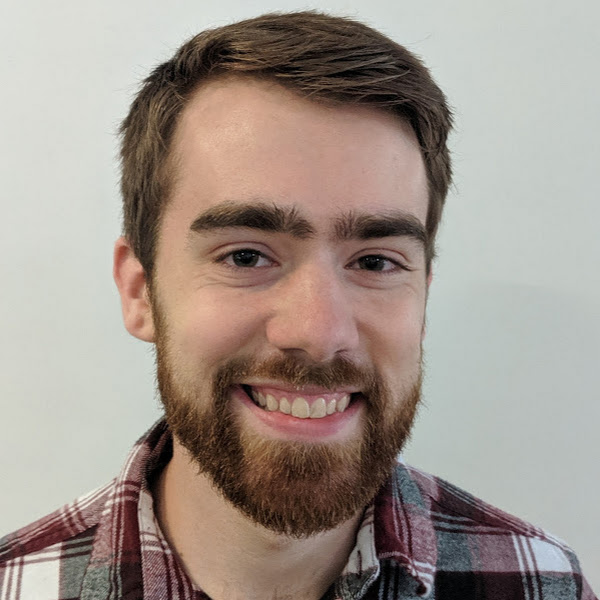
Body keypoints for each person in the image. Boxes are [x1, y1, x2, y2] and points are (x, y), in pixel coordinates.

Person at [0, 11, 595, 600]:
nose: (320, 331)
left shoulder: (543, 585)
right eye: (246, 257)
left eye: (375, 262)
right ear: (139, 291)